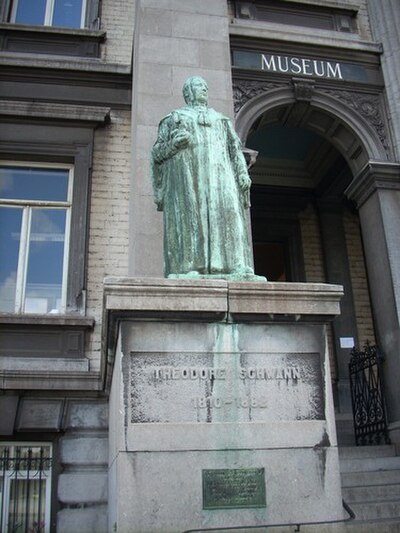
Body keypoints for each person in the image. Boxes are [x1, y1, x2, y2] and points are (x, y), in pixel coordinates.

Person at [151, 76, 264, 281]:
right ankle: (189, 267)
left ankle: (236, 265)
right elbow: (157, 154)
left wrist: (241, 173)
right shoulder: (174, 119)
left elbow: (235, 150)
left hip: (221, 177)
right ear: (187, 93)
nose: (203, 88)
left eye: (205, 86)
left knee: (229, 214)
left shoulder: (222, 120)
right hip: (188, 176)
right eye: (197, 86)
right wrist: (174, 145)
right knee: (190, 217)